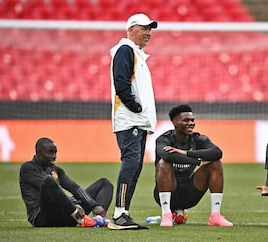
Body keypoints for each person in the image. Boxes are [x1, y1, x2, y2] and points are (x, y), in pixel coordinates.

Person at [108, 13, 157, 230]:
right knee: (131, 163)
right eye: (144, 28)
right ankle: (119, 213)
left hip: (138, 121)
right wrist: (136, 107)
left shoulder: (136, 53)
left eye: (150, 29)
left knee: (135, 166)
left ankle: (124, 212)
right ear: (131, 30)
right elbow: (121, 83)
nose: (148, 33)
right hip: (130, 120)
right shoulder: (125, 50)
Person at [153, 104, 233, 227]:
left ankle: (215, 216)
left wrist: (186, 153)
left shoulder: (198, 139)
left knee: (216, 163)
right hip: (169, 192)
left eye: (192, 120)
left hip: (190, 193)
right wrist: (197, 162)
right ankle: (166, 215)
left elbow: (217, 153)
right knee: (164, 163)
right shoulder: (164, 139)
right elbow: (167, 155)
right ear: (175, 123)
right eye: (186, 120)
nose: (191, 123)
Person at [19, 137, 113, 227]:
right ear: (38, 153)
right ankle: (80, 217)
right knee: (48, 181)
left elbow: (74, 187)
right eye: (50, 153)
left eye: (55, 153)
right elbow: (53, 192)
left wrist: (93, 205)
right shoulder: (28, 168)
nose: (54, 156)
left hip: (68, 214)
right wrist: (73, 204)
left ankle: (98, 219)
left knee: (104, 183)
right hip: (42, 218)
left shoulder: (55, 169)